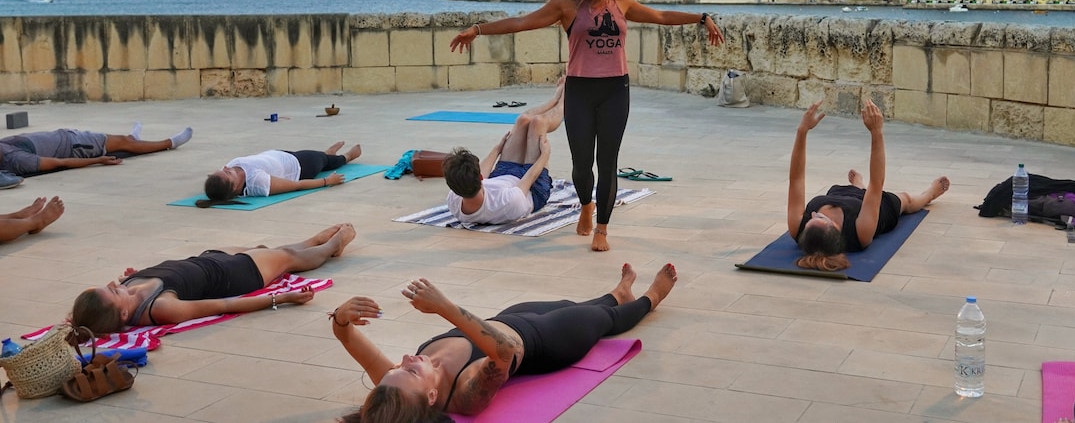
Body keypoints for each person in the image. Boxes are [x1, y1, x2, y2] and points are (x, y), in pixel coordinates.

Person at [449, 0, 725, 252]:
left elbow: (660, 15)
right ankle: (585, 205)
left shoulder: (622, 4)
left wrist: (701, 18)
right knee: (582, 165)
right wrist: (477, 29)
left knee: (607, 164)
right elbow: (520, 23)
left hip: (615, 91)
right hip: (579, 91)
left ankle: (602, 229)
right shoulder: (565, 4)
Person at [331, 262, 677, 422]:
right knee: (605, 322)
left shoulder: (399, 389)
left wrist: (342, 317)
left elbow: (346, 335)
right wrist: (445, 308)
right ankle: (651, 297)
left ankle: (618, 293)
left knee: (576, 306)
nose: (404, 359)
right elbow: (505, 352)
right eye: (409, 370)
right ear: (432, 396)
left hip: (508, 318)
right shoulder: (465, 395)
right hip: (548, 341)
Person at [69, 223, 356, 335]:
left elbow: (88, 316)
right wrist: (283, 298)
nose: (112, 286)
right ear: (122, 312)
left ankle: (311, 240)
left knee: (271, 250)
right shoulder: (160, 309)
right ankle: (334, 244)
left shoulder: (123, 292)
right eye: (113, 293)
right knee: (288, 258)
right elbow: (222, 305)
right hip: (235, 275)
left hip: (207, 259)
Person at [787, 99, 949, 271]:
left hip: (841, 194)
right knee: (906, 200)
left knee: (858, 191)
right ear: (835, 227)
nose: (812, 214)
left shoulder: (798, 226)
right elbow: (877, 184)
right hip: (876, 210)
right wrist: (876, 132)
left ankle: (858, 186)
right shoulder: (859, 233)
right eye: (818, 218)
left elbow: (796, 179)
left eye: (810, 219)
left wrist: (802, 131)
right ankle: (929, 194)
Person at [442, 80, 564, 225]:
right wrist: (545, 155)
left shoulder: (454, 200)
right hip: (532, 189)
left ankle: (554, 99)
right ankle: (564, 100)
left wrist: (498, 148)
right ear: (480, 177)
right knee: (539, 123)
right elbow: (530, 177)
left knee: (523, 120)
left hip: (503, 175)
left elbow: (484, 174)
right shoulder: (508, 204)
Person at [204, 141, 362, 205]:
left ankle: (327, 154)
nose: (226, 167)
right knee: (322, 160)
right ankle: (346, 157)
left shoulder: (226, 174)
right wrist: (327, 181)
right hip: (299, 166)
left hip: (282, 155)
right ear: (234, 187)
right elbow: (296, 185)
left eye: (223, 170)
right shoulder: (257, 182)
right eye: (228, 173)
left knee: (320, 156)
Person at [0, 124, 192, 176]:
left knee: (118, 140)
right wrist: (98, 159)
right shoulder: (16, 160)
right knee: (122, 142)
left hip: (67, 135)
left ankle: (133, 140)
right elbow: (60, 163)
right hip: (73, 146)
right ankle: (169, 143)